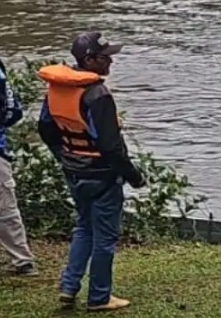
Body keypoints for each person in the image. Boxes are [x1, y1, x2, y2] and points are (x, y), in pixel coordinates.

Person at [37, 32, 144, 312]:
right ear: (89, 60)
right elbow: (111, 147)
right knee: (105, 238)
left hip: (74, 171)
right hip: (103, 175)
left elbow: (46, 129)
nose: (110, 60)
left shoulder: (57, 88)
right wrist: (134, 176)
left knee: (84, 227)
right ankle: (99, 297)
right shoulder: (98, 95)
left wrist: (65, 156)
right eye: (105, 56)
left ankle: (69, 287)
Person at [0, 57, 38, 276]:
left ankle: (22, 261)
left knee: (5, 206)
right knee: (5, 208)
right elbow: (14, 111)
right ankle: (22, 261)